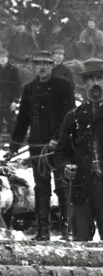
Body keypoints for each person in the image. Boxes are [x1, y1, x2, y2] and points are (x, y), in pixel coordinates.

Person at [12, 50, 75, 240]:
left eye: (46, 64)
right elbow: (23, 118)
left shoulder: (63, 86)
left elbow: (69, 115)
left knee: (62, 186)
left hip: (60, 147)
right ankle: (42, 231)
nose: (42, 67)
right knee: (41, 188)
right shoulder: (29, 89)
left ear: (52, 65)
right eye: (38, 64)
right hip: (38, 146)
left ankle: (66, 230)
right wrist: (13, 146)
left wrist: (58, 138)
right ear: (33, 66)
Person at [52, 59, 103, 242]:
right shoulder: (73, 117)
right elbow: (60, 153)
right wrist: (65, 166)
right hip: (81, 190)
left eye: (100, 78)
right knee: (81, 245)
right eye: (90, 79)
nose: (96, 83)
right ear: (84, 84)